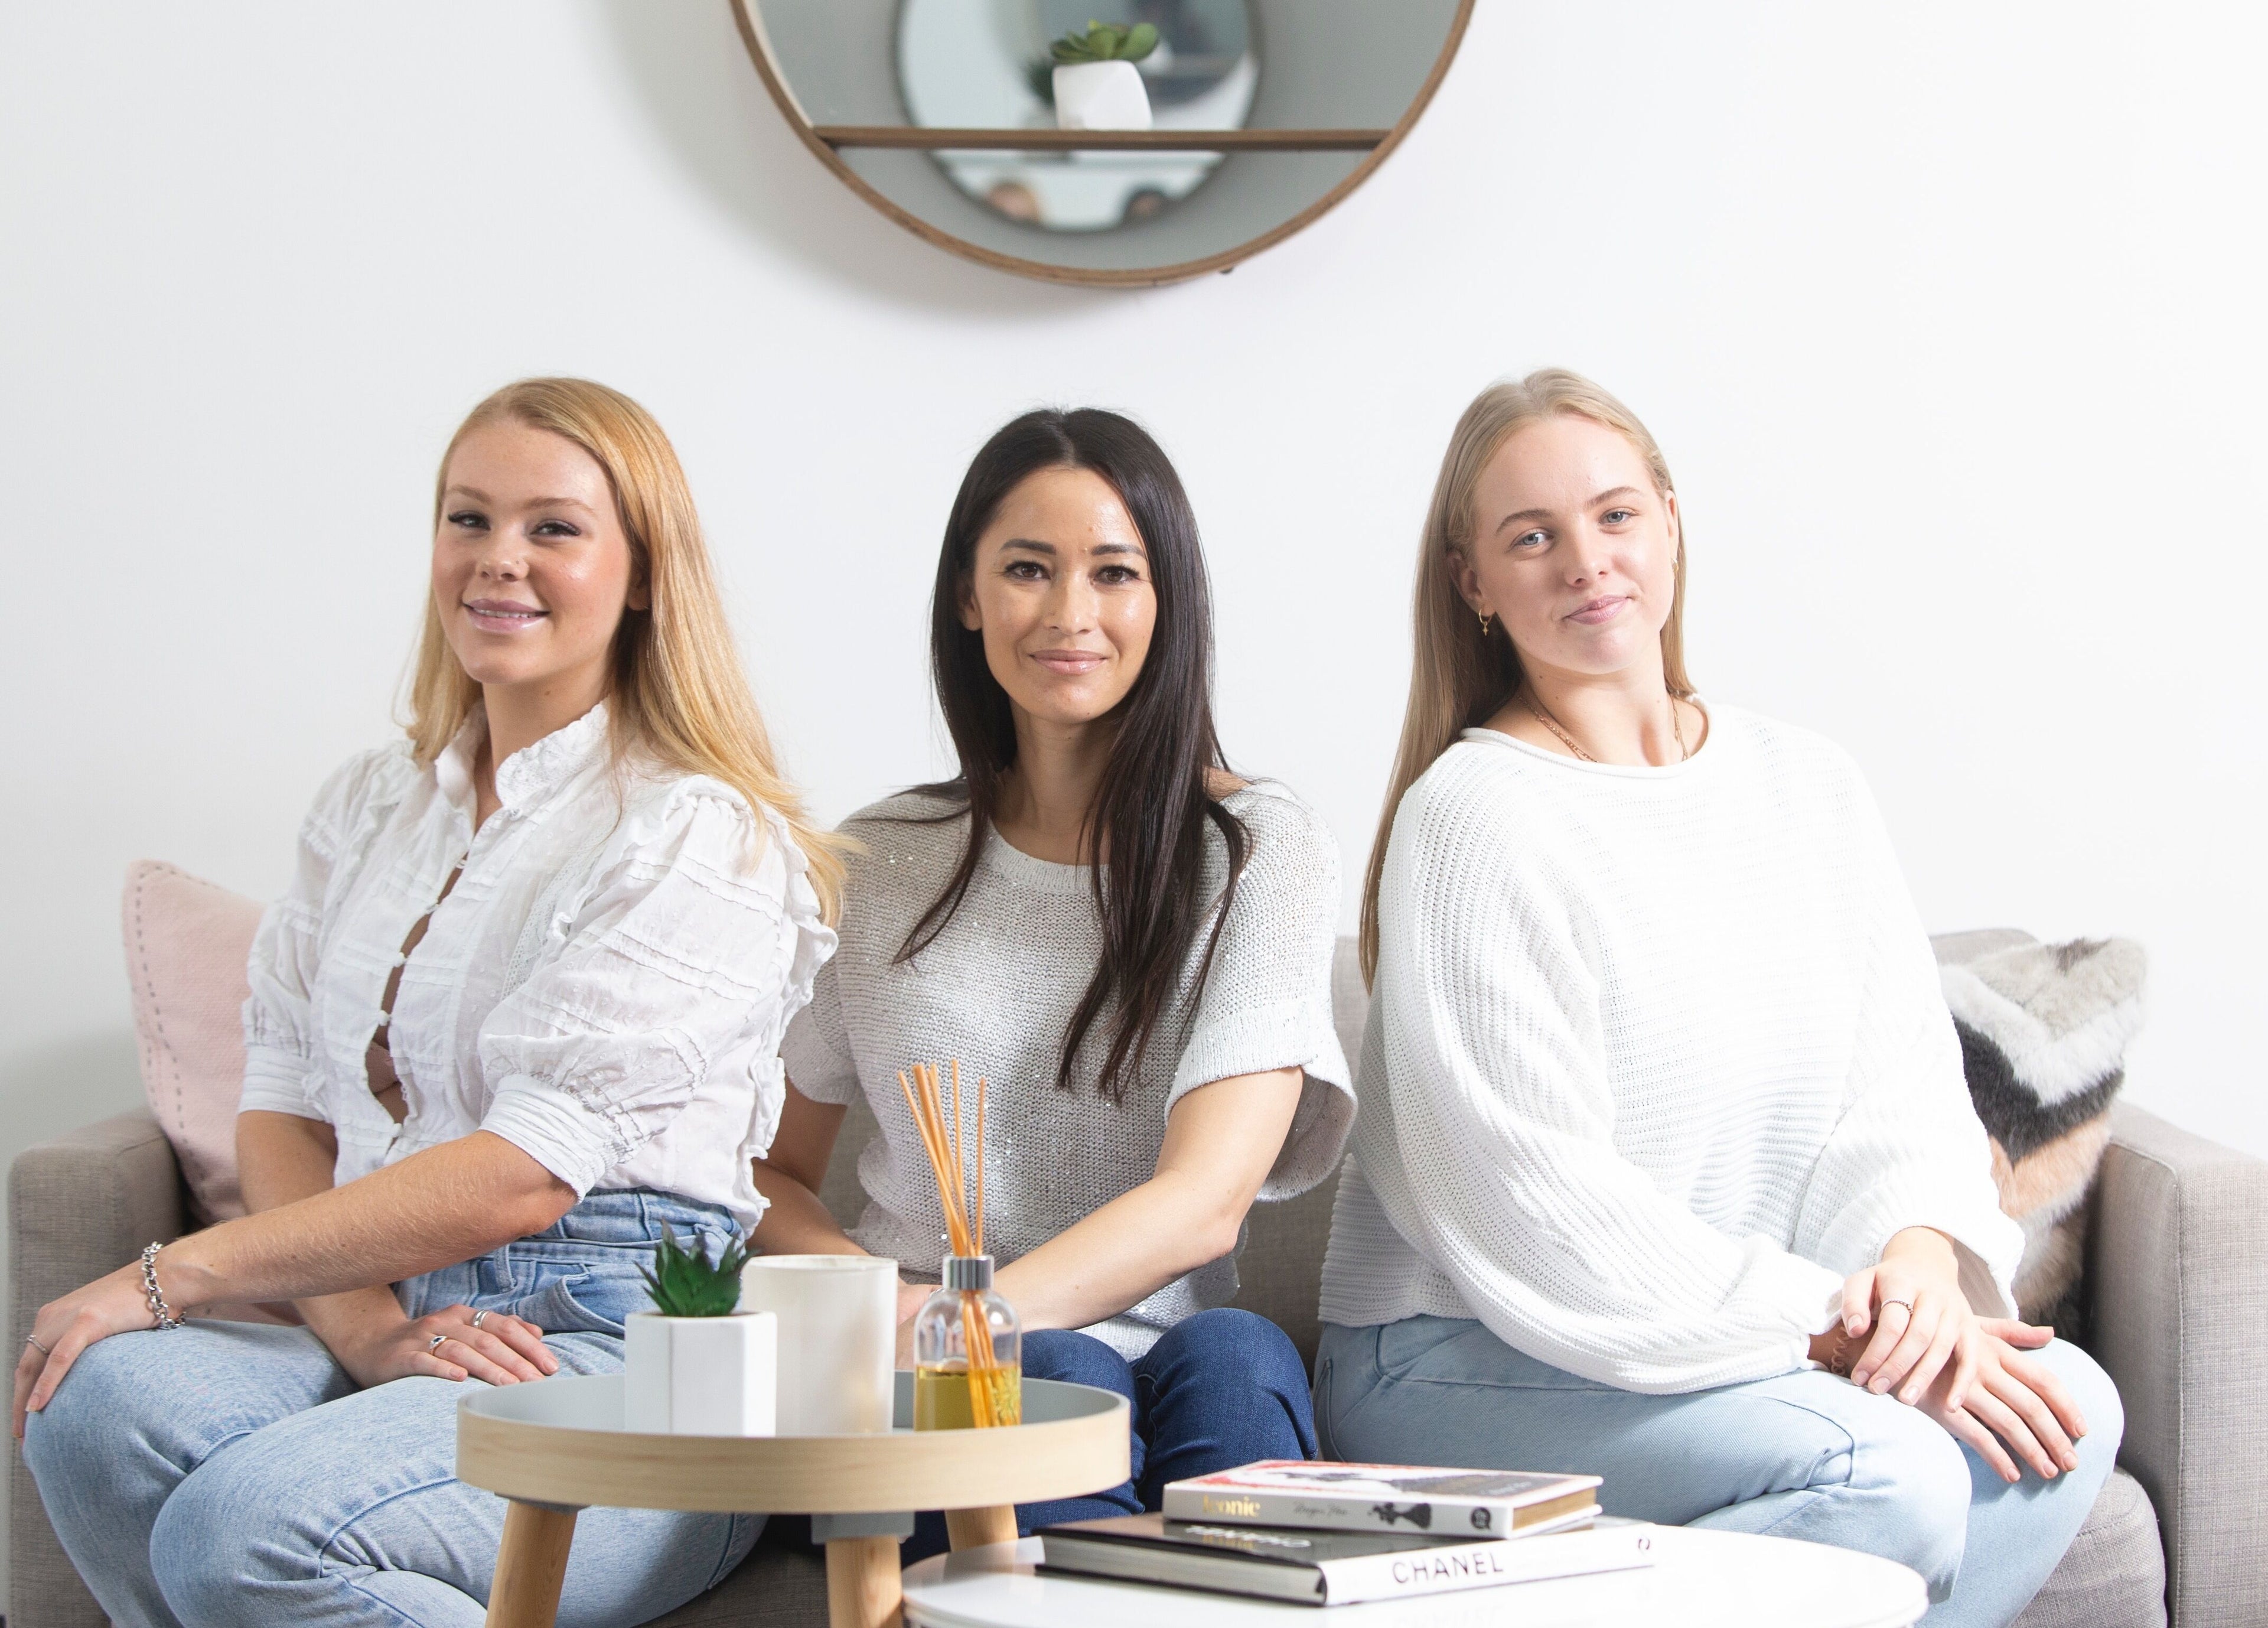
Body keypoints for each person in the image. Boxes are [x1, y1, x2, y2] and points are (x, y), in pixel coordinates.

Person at [16, 378, 840, 1628]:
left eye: (553, 528)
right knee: (90, 1416)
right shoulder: (369, 808)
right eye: (469, 519)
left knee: (243, 1531)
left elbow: (529, 1171)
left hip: (620, 1345)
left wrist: (169, 1272)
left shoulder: (696, 833)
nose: (498, 561)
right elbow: (285, 1102)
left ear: (640, 575)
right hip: (386, 1312)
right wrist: (361, 1328)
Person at [1315, 370, 2119, 1628]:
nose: (1587, 561)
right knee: (1886, 1470)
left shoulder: (1810, 782)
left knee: (2079, 1408)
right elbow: (1538, 1204)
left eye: (1616, 515)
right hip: (1467, 1353)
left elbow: (1902, 1087)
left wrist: (1914, 1269)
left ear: (1673, 522)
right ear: (1473, 580)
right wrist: (1832, 1325)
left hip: (1755, 1343)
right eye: (1532, 537)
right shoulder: (1474, 821)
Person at [752, 408, 1351, 1555]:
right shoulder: (871, 863)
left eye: (1114, 573)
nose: (1071, 613)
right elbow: (768, 1169)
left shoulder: (1256, 847)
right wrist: (879, 1304)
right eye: (1028, 569)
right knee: (1057, 1367)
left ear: (1165, 600)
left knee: (1239, 1355)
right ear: (969, 595)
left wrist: (971, 1317)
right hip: (926, 1361)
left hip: (1147, 1343)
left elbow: (1206, 1200)